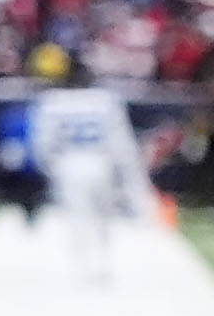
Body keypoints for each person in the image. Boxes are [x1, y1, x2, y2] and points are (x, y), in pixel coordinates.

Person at [22, 61, 151, 281]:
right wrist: (127, 173)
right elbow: (120, 141)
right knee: (103, 214)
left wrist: (50, 168)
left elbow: (42, 142)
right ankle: (103, 261)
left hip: (69, 164)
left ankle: (84, 265)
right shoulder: (105, 101)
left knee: (77, 216)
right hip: (100, 162)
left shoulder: (52, 102)